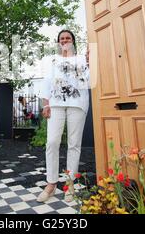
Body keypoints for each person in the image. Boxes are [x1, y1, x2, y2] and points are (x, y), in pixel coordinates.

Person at [37, 29, 90, 203]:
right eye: (62, 38)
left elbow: (87, 80)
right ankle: (51, 184)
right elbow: (46, 81)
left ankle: (70, 184)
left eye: (68, 38)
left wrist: (89, 63)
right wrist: (46, 103)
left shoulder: (82, 58)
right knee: (52, 142)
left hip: (77, 104)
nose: (65, 40)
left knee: (74, 144)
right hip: (56, 104)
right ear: (58, 42)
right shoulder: (53, 60)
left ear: (73, 41)